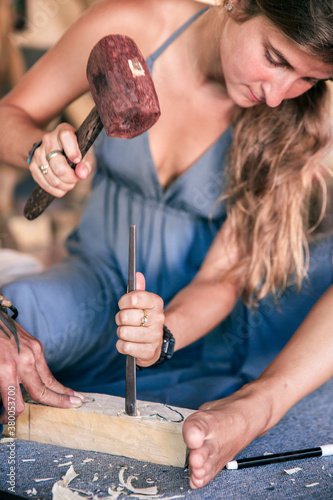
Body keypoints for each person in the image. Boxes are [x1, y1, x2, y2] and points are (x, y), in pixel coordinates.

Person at [0, 0, 332, 489]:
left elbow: (222, 277)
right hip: (94, 277)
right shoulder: (131, 30)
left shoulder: (297, 120)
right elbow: (12, 112)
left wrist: (165, 334)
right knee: (12, 329)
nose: (279, 95)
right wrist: (37, 149)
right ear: (238, 3)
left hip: (200, 324)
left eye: (309, 79)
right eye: (276, 59)